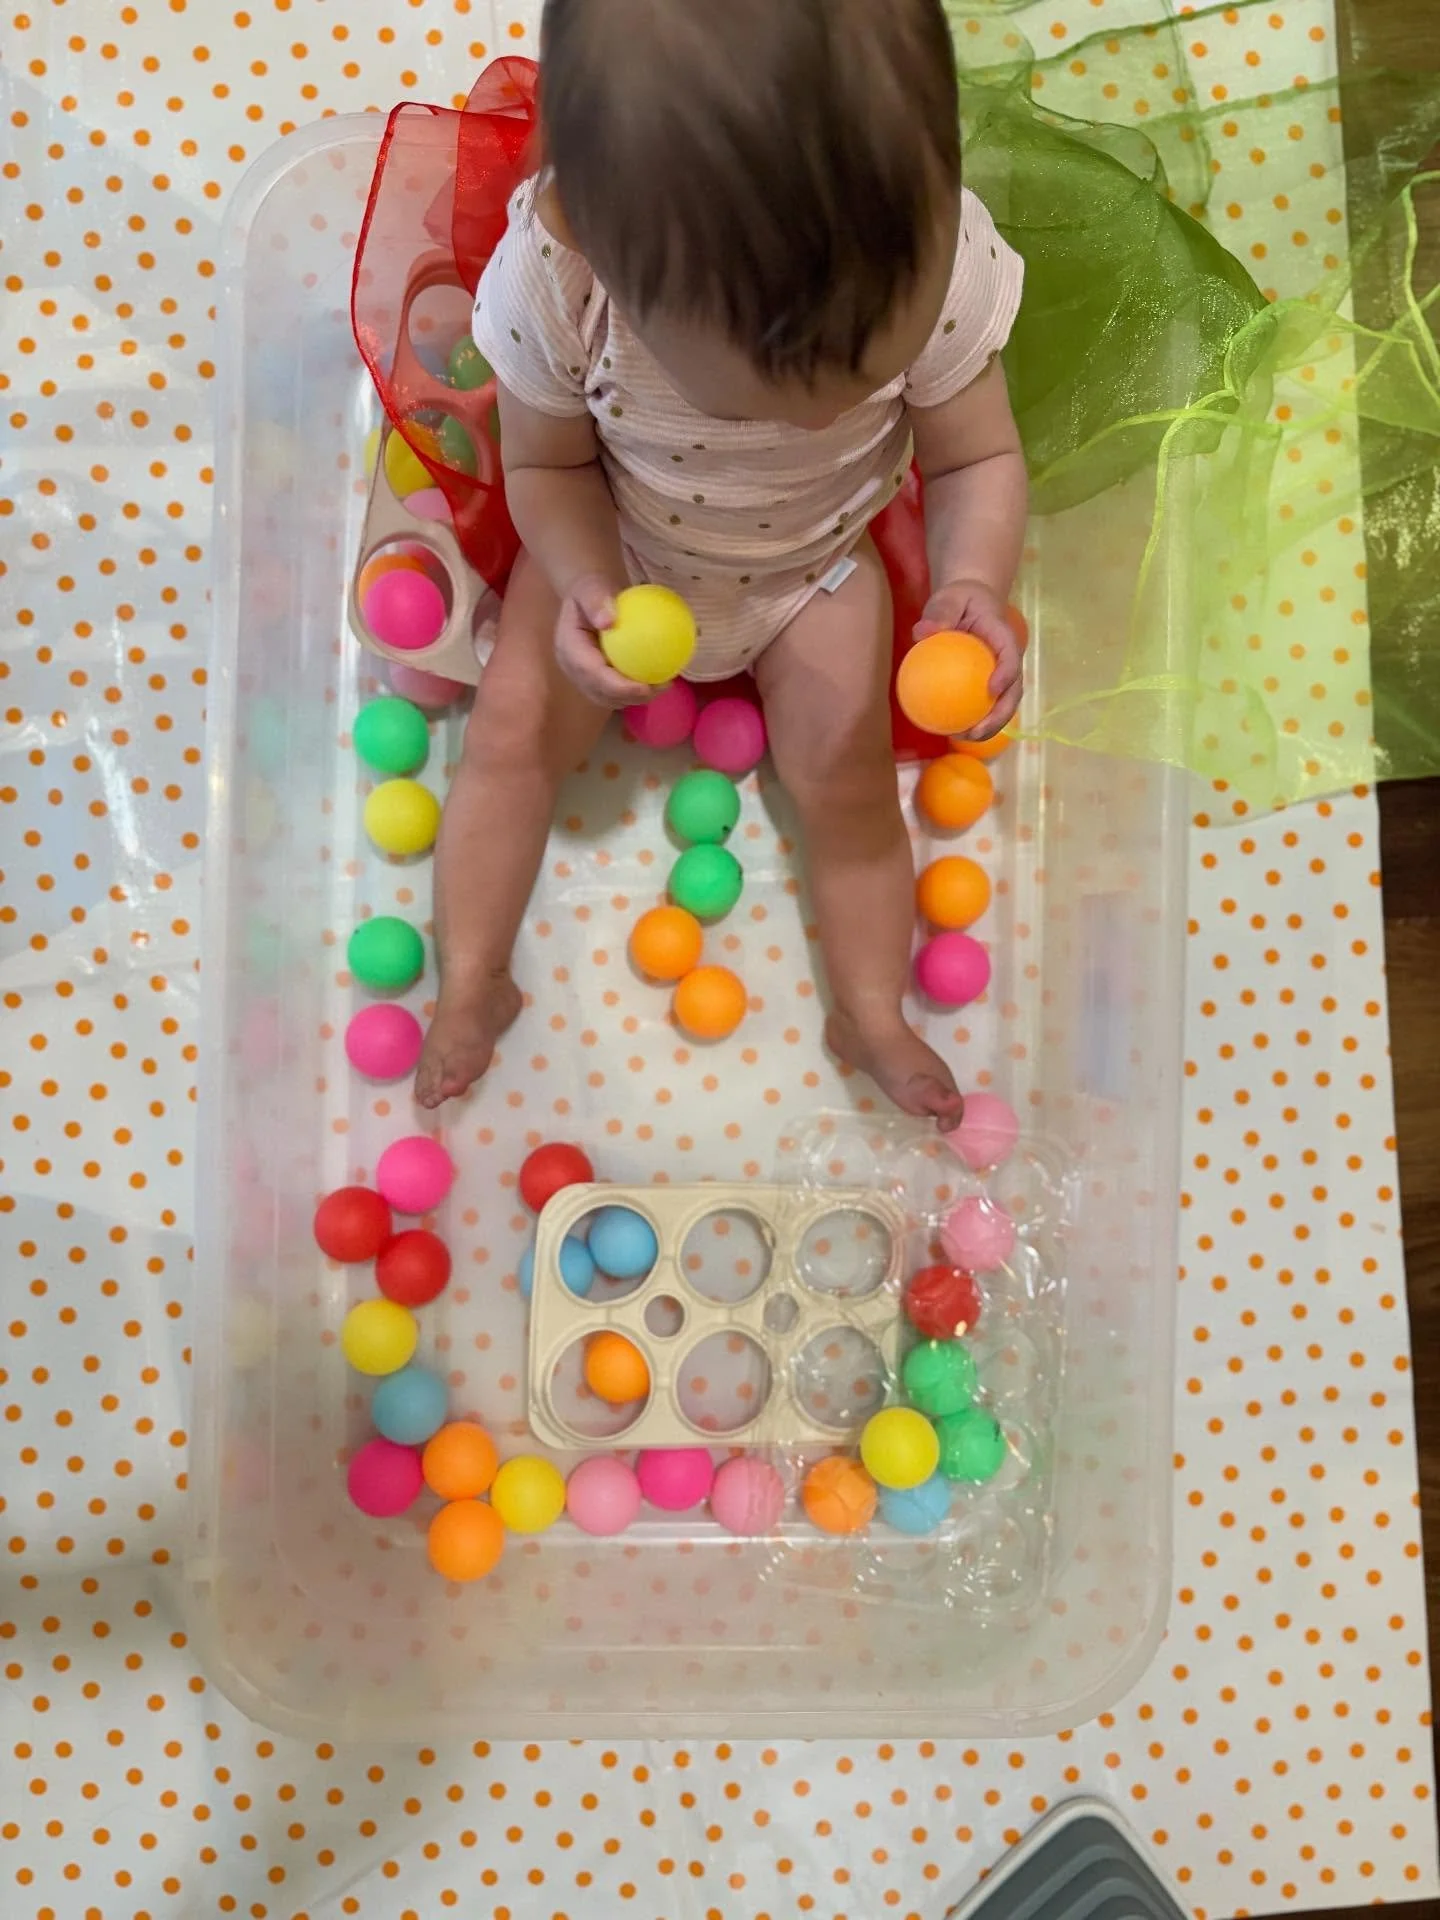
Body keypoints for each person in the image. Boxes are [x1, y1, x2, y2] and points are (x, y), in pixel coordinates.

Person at [415, 0, 1027, 1125]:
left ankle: (871, 1011)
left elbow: (979, 454)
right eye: (778, 392)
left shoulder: (932, 258)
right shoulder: (562, 285)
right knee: (507, 739)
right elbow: (546, 474)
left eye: (859, 374)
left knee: (847, 787)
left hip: (815, 574)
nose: (827, 410)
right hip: (626, 548)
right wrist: (590, 579)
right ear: (604, 247)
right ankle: (470, 981)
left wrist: (975, 581)